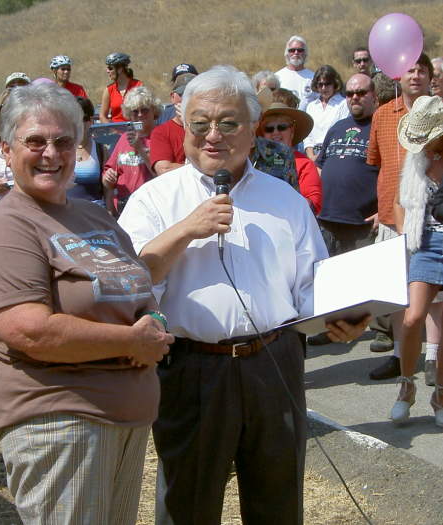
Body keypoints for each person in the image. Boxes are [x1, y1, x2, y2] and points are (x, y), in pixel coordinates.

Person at [118, 65, 368, 525]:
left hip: (274, 365)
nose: (213, 135)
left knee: (278, 499)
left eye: (228, 123)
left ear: (252, 130)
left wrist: (342, 316)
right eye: (200, 123)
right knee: (186, 504)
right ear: (183, 126)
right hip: (191, 370)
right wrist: (185, 231)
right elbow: (128, 287)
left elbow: (310, 287)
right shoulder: (153, 201)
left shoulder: (285, 200)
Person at [0, 83, 173, 524]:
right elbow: (31, 331)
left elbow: (136, 286)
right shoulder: (9, 226)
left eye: (62, 141)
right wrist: (131, 342)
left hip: (126, 420)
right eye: (35, 141)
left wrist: (152, 320)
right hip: (61, 422)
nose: (50, 153)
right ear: (5, 149)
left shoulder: (94, 215)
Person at [367, 53, 436, 377]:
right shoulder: (382, 115)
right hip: (392, 214)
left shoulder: (439, 114)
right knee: (396, 293)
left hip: (433, 221)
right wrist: (382, 209)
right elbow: (376, 163)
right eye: (410, 69)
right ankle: (399, 356)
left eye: (423, 70)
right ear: (398, 76)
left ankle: (433, 357)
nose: (416, 75)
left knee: (434, 298)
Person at [307, 74, 379, 346]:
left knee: (369, 281)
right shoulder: (337, 127)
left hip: (362, 218)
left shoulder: (380, 126)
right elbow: (321, 164)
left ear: (374, 95)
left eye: (360, 92)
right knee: (332, 281)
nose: (355, 98)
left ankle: (383, 333)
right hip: (329, 216)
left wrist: (385, 207)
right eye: (350, 93)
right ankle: (332, 330)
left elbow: (393, 172)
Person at [390, 95, 443, 426]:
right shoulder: (414, 161)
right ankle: (406, 385)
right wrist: (402, 232)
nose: (421, 145)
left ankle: (440, 394)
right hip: (423, 242)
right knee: (412, 318)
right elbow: (398, 202)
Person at [255, 87, 321, 214]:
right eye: (269, 128)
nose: (276, 133)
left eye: (282, 127)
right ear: (262, 133)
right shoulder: (253, 161)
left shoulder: (304, 164)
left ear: (292, 131)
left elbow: (313, 206)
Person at [102, 86, 161, 216]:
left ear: (154, 112)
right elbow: (109, 172)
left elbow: (162, 174)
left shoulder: (160, 137)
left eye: (144, 110)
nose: (140, 115)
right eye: (135, 111)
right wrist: (108, 177)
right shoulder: (124, 138)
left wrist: (140, 148)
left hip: (150, 205)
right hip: (123, 206)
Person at [150, 73, 196, 175]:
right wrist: (199, 167)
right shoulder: (162, 132)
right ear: (173, 97)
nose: (186, 100)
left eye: (192, 95)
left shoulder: (210, 129)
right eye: (182, 95)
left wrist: (190, 125)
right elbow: (164, 170)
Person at [304, 65, 349, 162]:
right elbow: (308, 136)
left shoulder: (343, 104)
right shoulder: (311, 106)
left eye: (327, 84)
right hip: (312, 156)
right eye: (320, 84)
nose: (324, 88)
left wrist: (321, 156)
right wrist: (311, 157)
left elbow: (340, 133)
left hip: (333, 155)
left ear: (335, 84)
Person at [67, 97, 105, 204]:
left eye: (84, 118)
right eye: (75, 118)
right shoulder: (61, 149)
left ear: (91, 121)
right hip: (67, 212)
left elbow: (107, 188)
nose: (79, 123)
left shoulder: (100, 150)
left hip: (95, 212)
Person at [275, 35, 316, 110]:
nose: (296, 53)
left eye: (300, 50)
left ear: (305, 54)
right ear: (287, 54)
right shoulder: (277, 77)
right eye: (292, 50)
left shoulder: (314, 78)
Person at [100, 53, 142, 123]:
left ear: (120, 69)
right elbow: (102, 116)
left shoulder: (138, 86)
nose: (107, 71)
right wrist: (111, 129)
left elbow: (145, 112)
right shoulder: (108, 90)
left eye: (110, 68)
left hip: (135, 129)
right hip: (115, 131)